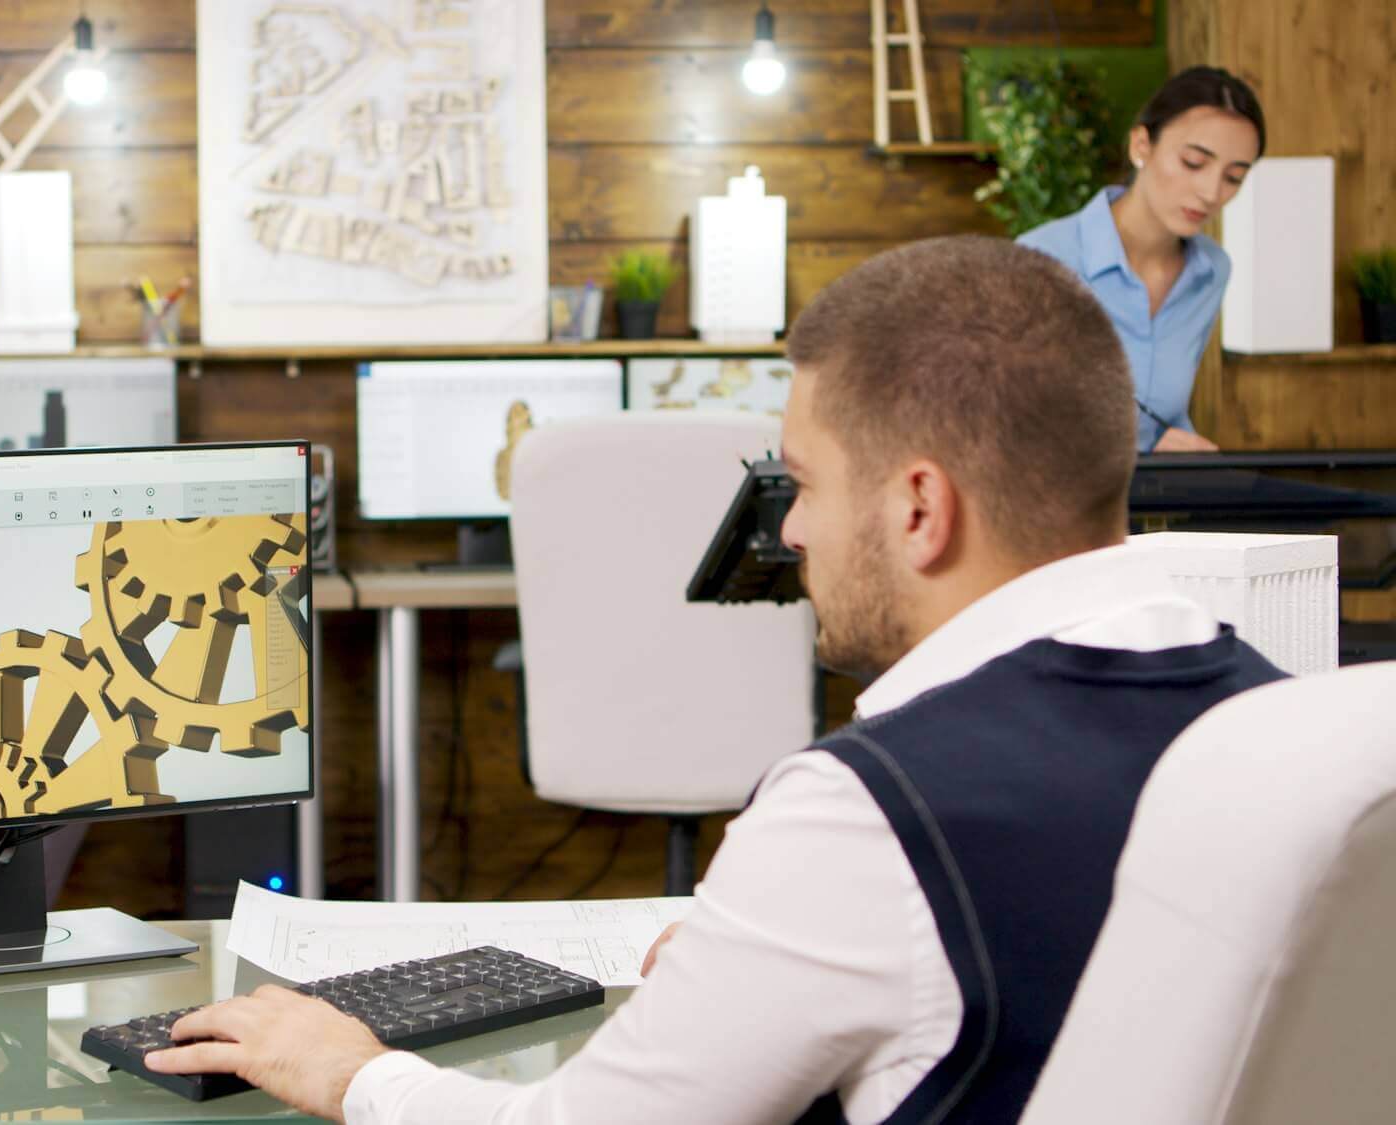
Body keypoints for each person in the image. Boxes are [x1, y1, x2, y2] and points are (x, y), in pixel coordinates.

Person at [138, 236, 1287, 1123]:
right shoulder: (1282, 722)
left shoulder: (869, 812)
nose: (788, 535)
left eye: (802, 484)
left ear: (919, 508)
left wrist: (351, 1071)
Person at [1019, 66, 1266, 453]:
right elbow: (1006, 424)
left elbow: (1164, 414)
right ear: (1141, 146)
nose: (1210, 192)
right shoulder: (1041, 259)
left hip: (1155, 505)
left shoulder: (1211, 271)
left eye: (1233, 177)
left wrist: (1183, 454)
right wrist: (1135, 457)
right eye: (1193, 163)